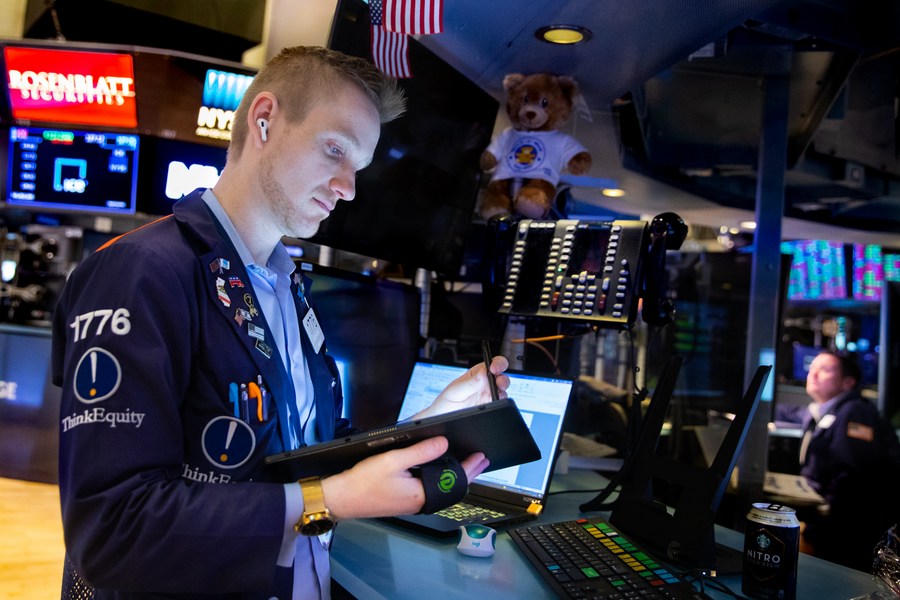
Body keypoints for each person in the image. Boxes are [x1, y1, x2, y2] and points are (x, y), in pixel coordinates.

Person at [51, 45, 511, 599]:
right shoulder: (140, 271)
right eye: (334, 150)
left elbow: (305, 450)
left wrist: (426, 426)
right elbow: (113, 531)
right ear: (264, 119)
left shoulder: (286, 285)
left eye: (357, 167)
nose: (348, 188)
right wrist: (328, 502)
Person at [776, 350, 900, 572]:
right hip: (828, 520)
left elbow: (854, 475)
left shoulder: (855, 412)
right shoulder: (825, 411)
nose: (812, 375)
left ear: (847, 383)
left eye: (823, 370)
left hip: (845, 531)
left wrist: (819, 517)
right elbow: (792, 413)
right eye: (812, 368)